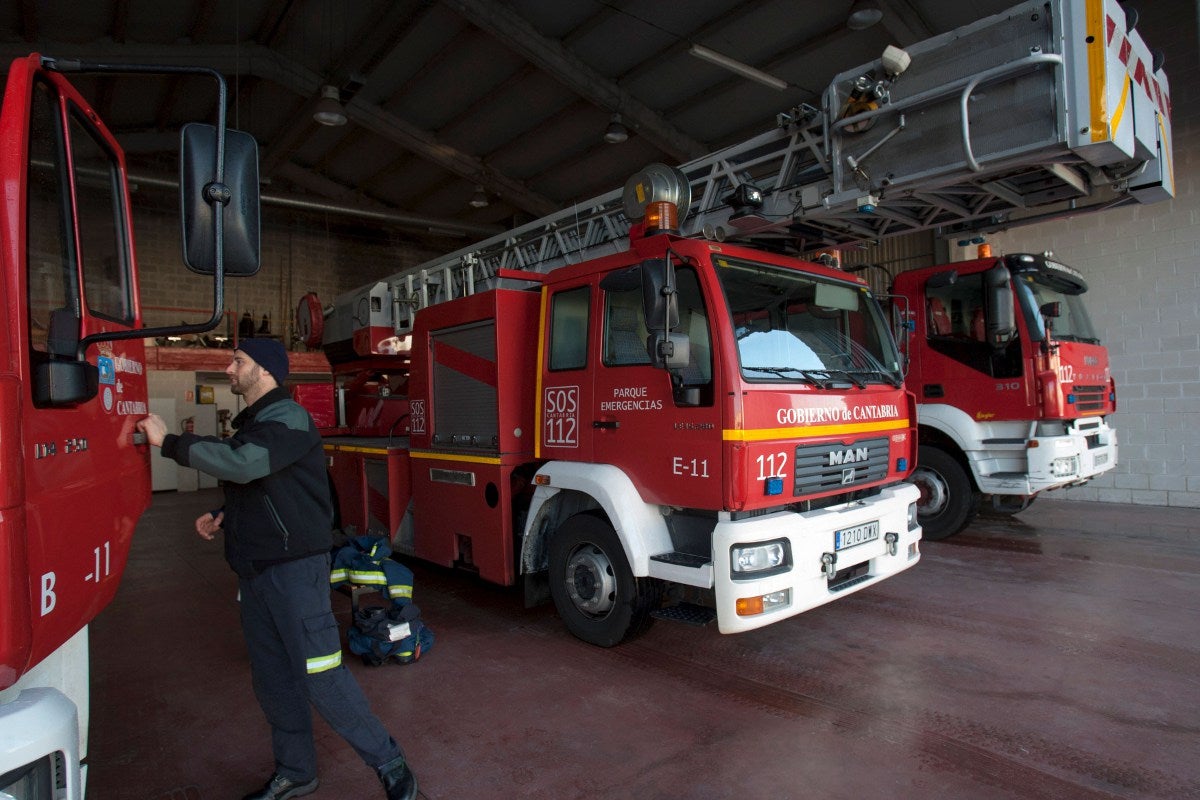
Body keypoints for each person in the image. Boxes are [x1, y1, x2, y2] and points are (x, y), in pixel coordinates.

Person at [136, 338, 417, 800]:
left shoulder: (287, 417)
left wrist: (170, 442)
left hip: (294, 574)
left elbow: (247, 464)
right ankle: (296, 771)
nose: (229, 369)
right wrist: (225, 513)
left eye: (238, 361)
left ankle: (390, 763)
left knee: (322, 674)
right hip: (257, 574)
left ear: (263, 371)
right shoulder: (258, 421)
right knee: (273, 681)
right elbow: (264, 486)